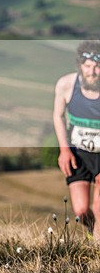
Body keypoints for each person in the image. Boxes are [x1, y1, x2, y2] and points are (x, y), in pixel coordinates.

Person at [53, 41, 100, 240]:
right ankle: (93, 233)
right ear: (80, 65)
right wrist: (64, 150)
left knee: (99, 208)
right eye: (88, 66)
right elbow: (58, 116)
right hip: (78, 153)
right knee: (81, 211)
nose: (93, 71)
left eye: (97, 66)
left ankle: (97, 251)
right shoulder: (66, 84)